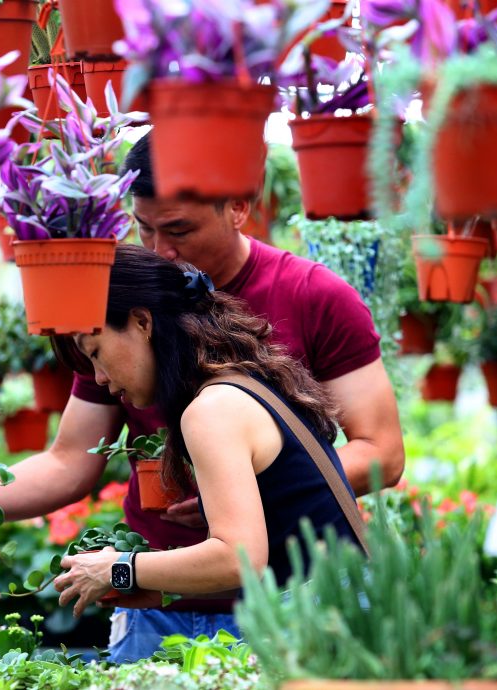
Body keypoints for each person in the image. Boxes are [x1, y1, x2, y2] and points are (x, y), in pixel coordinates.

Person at [0, 131, 404, 660]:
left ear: (239, 207)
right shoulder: (152, 329)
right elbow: (68, 460)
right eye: (144, 228)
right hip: (163, 599)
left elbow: (372, 456)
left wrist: (224, 497)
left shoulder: (241, 368)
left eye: (178, 230)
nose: (161, 250)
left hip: (283, 609)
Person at [51, 245, 364, 616]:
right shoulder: (242, 384)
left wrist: (118, 569)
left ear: (142, 323)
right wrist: (152, 581)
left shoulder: (211, 411)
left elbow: (237, 558)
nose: (99, 378)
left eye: (96, 352)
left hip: (326, 623)